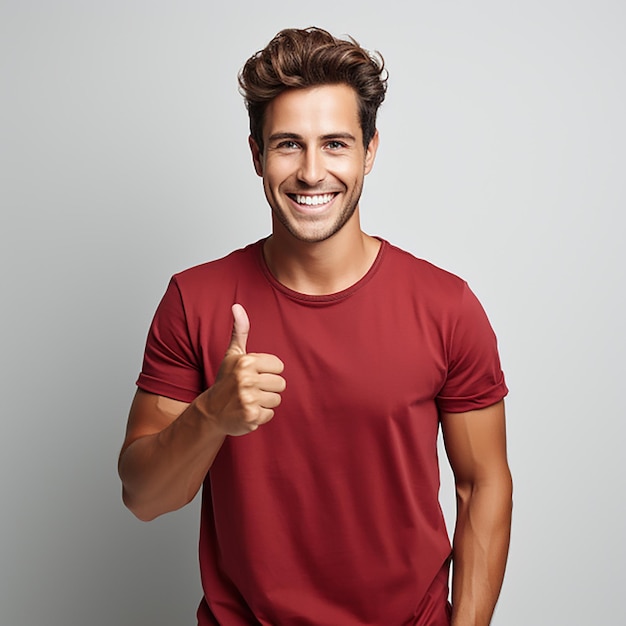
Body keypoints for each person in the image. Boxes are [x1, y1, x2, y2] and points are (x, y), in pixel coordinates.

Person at [118, 27, 513, 626]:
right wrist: (210, 416)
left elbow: (482, 485)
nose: (310, 172)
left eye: (334, 144)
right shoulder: (194, 301)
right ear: (256, 155)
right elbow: (144, 498)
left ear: (369, 151)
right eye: (287, 145)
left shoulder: (446, 306)